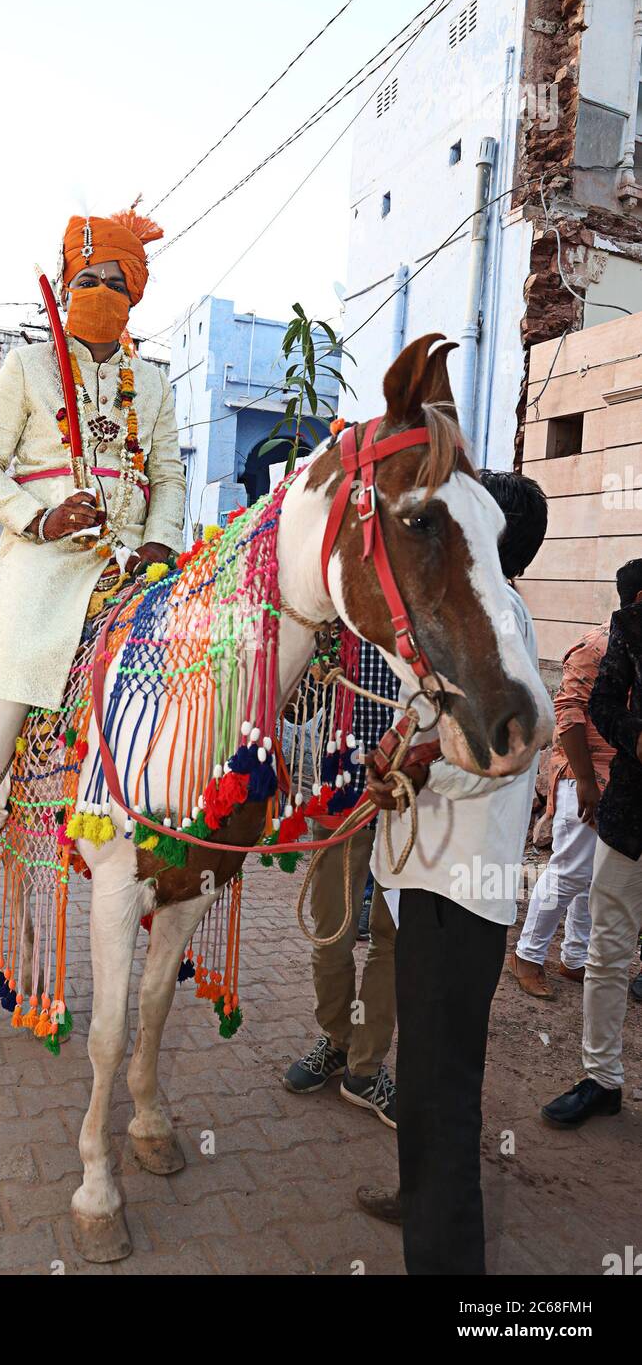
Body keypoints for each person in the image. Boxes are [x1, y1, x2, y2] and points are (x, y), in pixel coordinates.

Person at [0, 206, 186, 885]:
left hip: (132, 559)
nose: (100, 292)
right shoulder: (28, 365)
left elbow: (167, 477)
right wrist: (40, 518)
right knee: (16, 659)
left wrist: (160, 543)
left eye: (114, 281)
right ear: (67, 284)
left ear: (135, 295)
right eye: (87, 280)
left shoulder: (155, 384)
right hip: (45, 557)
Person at [357, 469, 548, 1275]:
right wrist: (395, 752)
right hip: (429, 878)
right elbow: (434, 718)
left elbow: (509, 740)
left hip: (456, 892)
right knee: (424, 1074)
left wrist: (426, 761)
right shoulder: (474, 624)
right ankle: (416, 1199)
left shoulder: (502, 624)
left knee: (445, 1089)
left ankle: (448, 1262)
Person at [283, 634, 401, 1128]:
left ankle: (365, 1067)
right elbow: (294, 710)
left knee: (391, 939)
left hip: (410, 801)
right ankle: (337, 1039)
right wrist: (302, 658)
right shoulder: (337, 621)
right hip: (340, 795)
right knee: (331, 931)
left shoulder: (426, 618)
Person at [542, 558, 642, 1128]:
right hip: (630, 814)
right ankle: (602, 1078)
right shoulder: (627, 632)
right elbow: (594, 707)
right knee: (607, 951)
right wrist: (638, 741)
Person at [507, 611, 615, 998]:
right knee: (568, 871)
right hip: (585, 778)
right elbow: (566, 714)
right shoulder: (597, 647)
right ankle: (528, 956)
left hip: (614, 780)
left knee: (594, 876)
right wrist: (585, 779)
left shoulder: (626, 646)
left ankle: (575, 958)